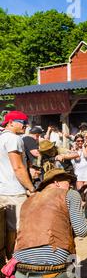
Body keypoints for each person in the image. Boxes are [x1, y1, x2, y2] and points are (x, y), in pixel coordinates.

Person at [12, 168, 87, 278]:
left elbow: (55, 231)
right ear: (56, 182)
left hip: (19, 275)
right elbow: (81, 231)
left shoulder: (28, 200)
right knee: (73, 263)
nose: (71, 186)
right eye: (68, 182)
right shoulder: (71, 194)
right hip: (50, 277)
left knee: (73, 261)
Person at [0, 111, 35, 261]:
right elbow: (18, 168)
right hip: (13, 192)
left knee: (4, 231)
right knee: (16, 231)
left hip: (2, 190)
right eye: (22, 121)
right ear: (11, 122)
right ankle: (13, 264)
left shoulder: (1, 138)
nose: (26, 125)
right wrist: (32, 189)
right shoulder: (14, 139)